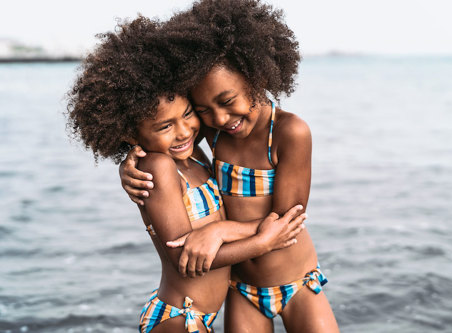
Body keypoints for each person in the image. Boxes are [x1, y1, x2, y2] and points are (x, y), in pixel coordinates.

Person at [66, 16, 307, 333]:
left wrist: (220, 232)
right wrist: (260, 244)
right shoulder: (159, 167)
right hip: (179, 318)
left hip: (197, 317)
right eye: (165, 126)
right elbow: (183, 255)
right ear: (129, 133)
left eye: (189, 114)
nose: (183, 132)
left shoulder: (193, 156)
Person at [120, 1, 340, 332]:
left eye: (226, 101)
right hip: (241, 289)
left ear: (257, 76)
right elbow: (166, 141)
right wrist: (129, 163)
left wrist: (218, 230)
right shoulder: (214, 132)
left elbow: (287, 220)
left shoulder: (289, 133)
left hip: (297, 282)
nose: (220, 119)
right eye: (204, 109)